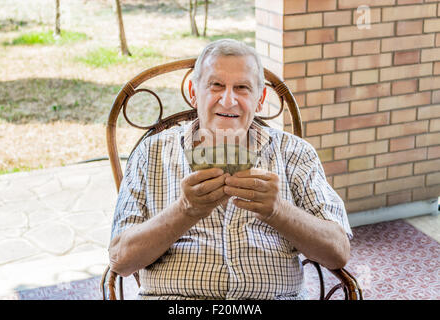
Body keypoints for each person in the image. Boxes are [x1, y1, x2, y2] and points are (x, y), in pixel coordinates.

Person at [108, 39, 353, 300]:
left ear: (259, 99)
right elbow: (121, 260)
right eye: (216, 85)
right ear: (193, 92)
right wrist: (184, 211)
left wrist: (278, 210)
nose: (228, 100)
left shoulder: (294, 153)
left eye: (242, 88)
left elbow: (338, 252)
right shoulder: (151, 154)